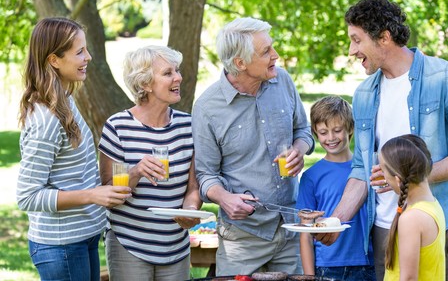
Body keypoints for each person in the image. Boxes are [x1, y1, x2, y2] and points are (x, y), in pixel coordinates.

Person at [315, 0, 448, 281]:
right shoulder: (364, 94)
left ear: (383, 37)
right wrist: (337, 219)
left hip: (433, 224)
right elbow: (361, 167)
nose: (351, 50)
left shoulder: (445, 78)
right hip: (384, 226)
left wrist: (412, 175)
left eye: (357, 40)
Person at [192, 17, 314, 276]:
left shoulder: (283, 81)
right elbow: (206, 175)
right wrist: (225, 198)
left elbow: (303, 131)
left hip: (291, 229)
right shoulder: (207, 108)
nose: (276, 55)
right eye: (266, 51)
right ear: (240, 63)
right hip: (243, 238)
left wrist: (299, 151)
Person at [16, 17, 130, 280]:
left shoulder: (65, 100)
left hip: (81, 237)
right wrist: (92, 195)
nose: (88, 57)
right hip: (61, 246)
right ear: (54, 60)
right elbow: (28, 196)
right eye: (79, 52)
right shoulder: (46, 119)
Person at [98, 45, 202, 280]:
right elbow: (107, 193)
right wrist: (135, 171)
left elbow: (193, 187)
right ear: (145, 84)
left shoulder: (189, 126)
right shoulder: (117, 127)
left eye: (177, 70)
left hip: (175, 246)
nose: (178, 77)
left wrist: (191, 210)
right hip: (129, 244)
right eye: (168, 73)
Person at [296, 96, 375, 280]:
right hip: (327, 266)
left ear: (350, 129)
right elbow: (305, 235)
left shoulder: (368, 169)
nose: (330, 138)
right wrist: (310, 277)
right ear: (315, 133)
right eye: (323, 132)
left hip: (367, 263)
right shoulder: (311, 177)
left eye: (337, 130)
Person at [380, 134, 446, 280]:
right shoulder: (433, 205)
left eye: (384, 171)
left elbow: (408, 278)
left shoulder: (411, 218)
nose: (384, 178)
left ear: (398, 179)